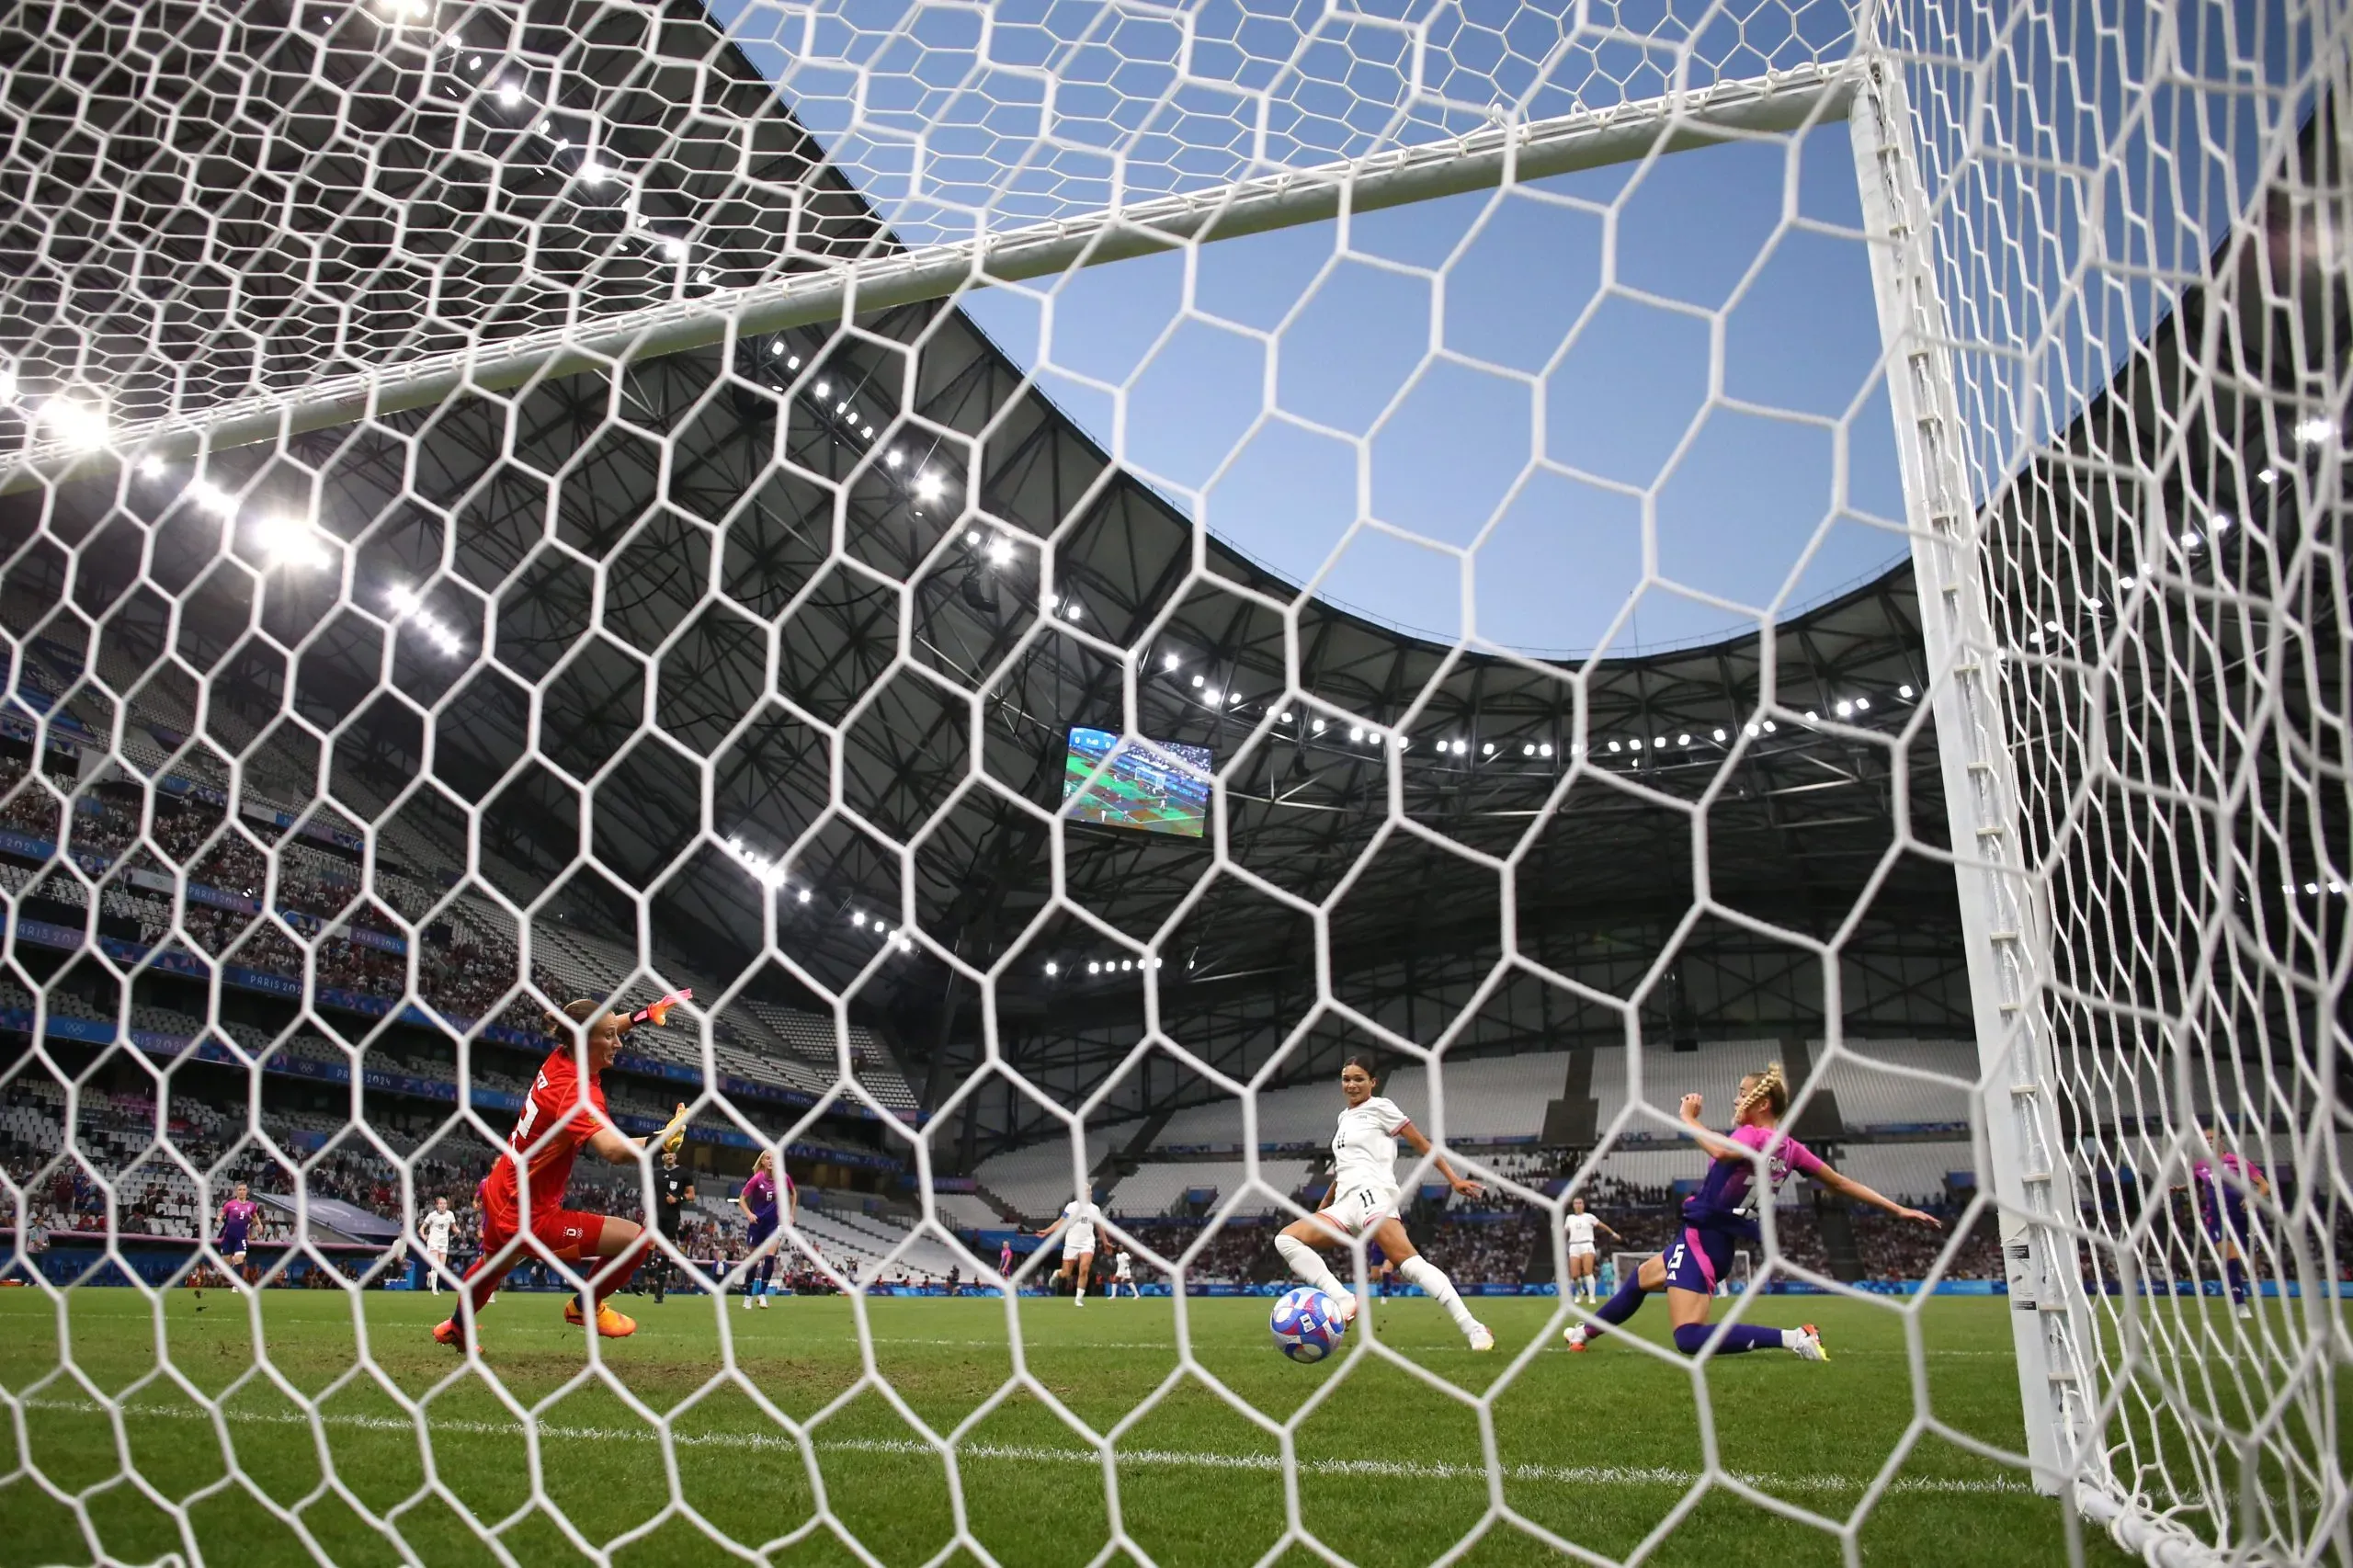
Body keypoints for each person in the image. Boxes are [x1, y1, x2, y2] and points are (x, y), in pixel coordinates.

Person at [1563, 1064, 1940, 1359]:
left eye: (1742, 1094)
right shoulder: (1790, 1148)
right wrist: (1896, 1209)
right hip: (1714, 1240)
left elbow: (1722, 1151)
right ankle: (1583, 1333)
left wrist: (1688, 1117)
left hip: (1703, 1240)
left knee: (1688, 1338)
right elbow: (1840, 1183)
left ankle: (1796, 1337)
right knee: (1643, 1277)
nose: (1736, 1101)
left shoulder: (1754, 1135)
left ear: (1762, 1104)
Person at [433, 999, 688, 1348]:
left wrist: (643, 1015)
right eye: (611, 1037)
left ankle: (457, 1326)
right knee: (637, 1240)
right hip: (530, 1215)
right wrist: (663, 1140)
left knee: (495, 1264)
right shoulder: (576, 1094)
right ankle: (585, 1306)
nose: (619, 1043)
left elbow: (603, 1026)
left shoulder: (562, 1058)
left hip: (504, 1189)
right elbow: (612, 1151)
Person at [1273, 1054, 1495, 1352]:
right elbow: (1344, 1168)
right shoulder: (1343, 1118)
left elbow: (1422, 1144)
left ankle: (1473, 1328)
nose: (1351, 1085)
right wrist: (1325, 1205)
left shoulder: (1381, 1108)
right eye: (1346, 1079)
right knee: (1285, 1240)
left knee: (1410, 1265)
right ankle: (1343, 1299)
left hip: (1372, 1195)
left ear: (1372, 1082)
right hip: (1344, 1203)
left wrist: (1453, 1179)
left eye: (1358, 1079)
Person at [2185, 1128, 2271, 1320]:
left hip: (2241, 1216)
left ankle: (2255, 1266)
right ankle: (2240, 1304)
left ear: (2221, 1140)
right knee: (2229, 1257)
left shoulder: (2238, 1162)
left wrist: (2254, 1199)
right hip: (2216, 1218)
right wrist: (2177, 1189)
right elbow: (2196, 1185)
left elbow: (2265, 1185)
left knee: (2251, 1261)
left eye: (2212, 1138)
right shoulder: (2200, 1166)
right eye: (2205, 1138)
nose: (2208, 1141)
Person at [736, 1149, 794, 1309]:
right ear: (762, 1161)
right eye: (768, 1158)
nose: (771, 1161)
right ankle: (748, 1296)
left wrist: (790, 1214)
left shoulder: (782, 1179)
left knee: (770, 1257)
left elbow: (793, 1193)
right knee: (753, 1260)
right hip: (757, 1224)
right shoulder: (756, 1179)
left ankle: (762, 1294)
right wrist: (748, 1213)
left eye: (773, 1158)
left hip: (773, 1224)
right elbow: (741, 1199)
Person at [197, 1182, 260, 1310]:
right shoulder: (230, 1204)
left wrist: (259, 1224)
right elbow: (222, 1213)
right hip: (228, 1237)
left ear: (247, 1192)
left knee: (240, 1259)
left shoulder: (251, 1206)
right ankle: (232, 1265)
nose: (242, 1191)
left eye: (244, 1189)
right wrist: (219, 1218)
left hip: (241, 1237)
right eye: (240, 1190)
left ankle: (236, 1284)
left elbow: (254, 1216)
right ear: (236, 1192)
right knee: (226, 1262)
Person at [1034, 1195, 1104, 1306]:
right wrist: (1047, 1231)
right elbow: (1059, 1222)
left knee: (1084, 1269)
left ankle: (1078, 1299)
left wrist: (1105, 1242)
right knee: (1066, 1273)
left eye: (1089, 1191)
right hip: (1072, 1243)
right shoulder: (1071, 1207)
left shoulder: (1094, 1209)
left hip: (1087, 1243)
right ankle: (1057, 1273)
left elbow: (1100, 1226)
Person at [650, 1147, 696, 1304]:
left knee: (665, 1252)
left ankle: (659, 1291)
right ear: (663, 1157)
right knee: (648, 1246)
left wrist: (678, 1199)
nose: (669, 1155)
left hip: (671, 1218)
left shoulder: (684, 1173)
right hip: (655, 1216)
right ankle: (645, 1278)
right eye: (666, 1153)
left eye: (672, 1153)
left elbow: (691, 1195)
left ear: (676, 1156)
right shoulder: (655, 1173)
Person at [1563, 1196, 1622, 1304]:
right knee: (1574, 1275)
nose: (1578, 1205)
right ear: (1573, 1206)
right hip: (1574, 1245)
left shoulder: (1589, 1217)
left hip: (1587, 1244)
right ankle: (1580, 1291)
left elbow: (1602, 1225)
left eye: (1580, 1203)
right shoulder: (1569, 1218)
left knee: (1587, 1271)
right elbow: (1565, 1231)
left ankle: (1591, 1296)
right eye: (1576, 1203)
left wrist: (1613, 1233)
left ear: (1583, 1205)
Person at [420, 1196, 456, 1295]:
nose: (443, 1205)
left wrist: (457, 1231)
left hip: (444, 1243)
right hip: (433, 1241)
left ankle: (430, 1275)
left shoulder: (450, 1215)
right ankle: (434, 1289)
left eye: (445, 1203)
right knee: (435, 1264)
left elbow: (454, 1227)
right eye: (441, 1203)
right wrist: (424, 1236)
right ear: (437, 1205)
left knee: (441, 1268)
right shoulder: (432, 1215)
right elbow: (422, 1228)